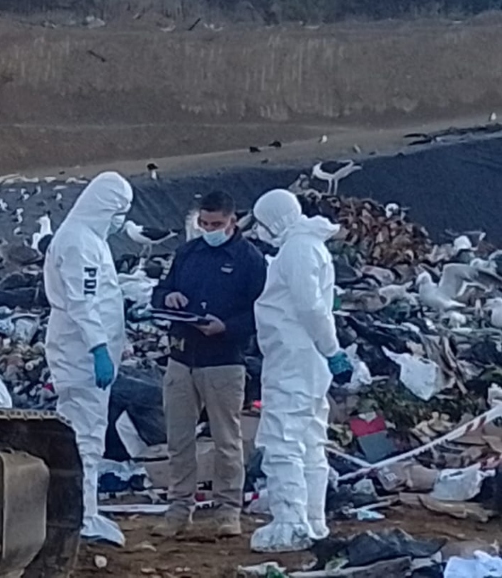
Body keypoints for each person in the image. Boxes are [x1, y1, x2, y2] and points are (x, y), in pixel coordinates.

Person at [150, 191, 267, 538]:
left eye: (216, 224)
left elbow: (261, 312)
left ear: (232, 221)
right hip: (182, 356)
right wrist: (168, 298)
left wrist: (227, 327)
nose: (209, 229)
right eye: (204, 223)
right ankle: (178, 508)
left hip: (224, 360)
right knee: (179, 437)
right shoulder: (188, 252)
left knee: (226, 438)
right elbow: (161, 290)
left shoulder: (249, 260)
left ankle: (228, 509)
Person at [250, 188, 348, 553]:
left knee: (282, 439)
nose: (258, 231)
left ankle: (291, 523)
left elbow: (310, 308)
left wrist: (332, 349)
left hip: (294, 358)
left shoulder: (296, 250)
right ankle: (313, 520)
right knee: (309, 440)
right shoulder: (308, 246)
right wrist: (330, 353)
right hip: (306, 360)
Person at [44, 171, 134, 546]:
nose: (121, 221)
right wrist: (98, 347)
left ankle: (82, 510)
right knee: (86, 434)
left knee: (84, 429)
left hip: (82, 350)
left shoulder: (84, 238)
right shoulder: (81, 242)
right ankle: (83, 515)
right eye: (120, 211)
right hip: (81, 353)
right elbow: (84, 301)